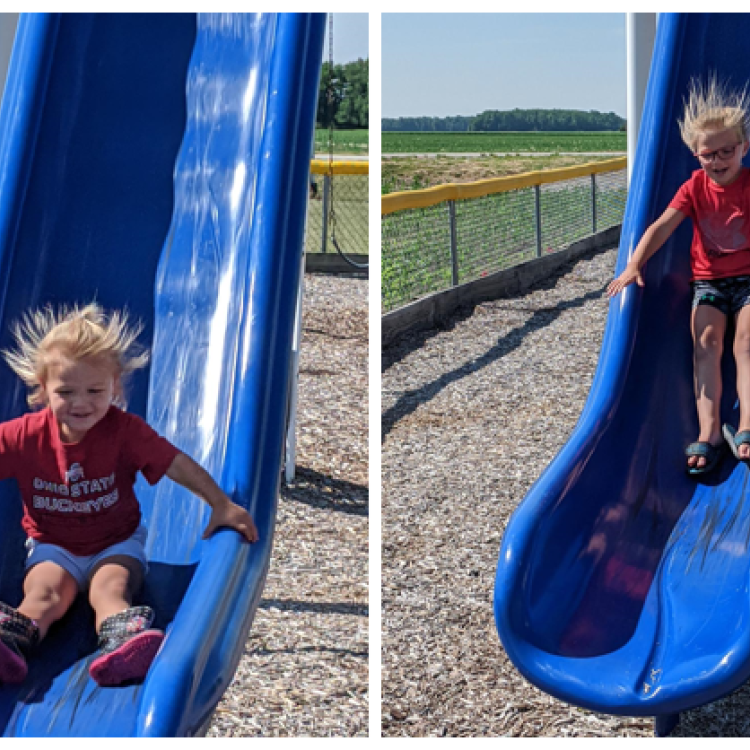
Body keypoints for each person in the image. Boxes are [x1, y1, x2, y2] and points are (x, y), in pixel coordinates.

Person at [0, 303, 259, 687]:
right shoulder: (24, 435)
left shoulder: (124, 431)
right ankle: (12, 643)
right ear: (42, 390)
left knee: (110, 588)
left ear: (115, 387)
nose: (82, 402)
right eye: (66, 391)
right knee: (44, 592)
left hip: (115, 543)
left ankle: (126, 644)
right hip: (52, 545)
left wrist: (221, 504)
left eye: (95, 390)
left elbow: (174, 462)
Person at [607, 77, 750, 475]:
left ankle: (747, 426)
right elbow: (661, 227)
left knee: (747, 342)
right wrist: (634, 264)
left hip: (749, 280)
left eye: (728, 151)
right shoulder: (694, 187)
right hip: (708, 283)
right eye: (709, 154)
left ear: (744, 148)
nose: (719, 161)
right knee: (705, 343)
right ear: (695, 154)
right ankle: (711, 431)